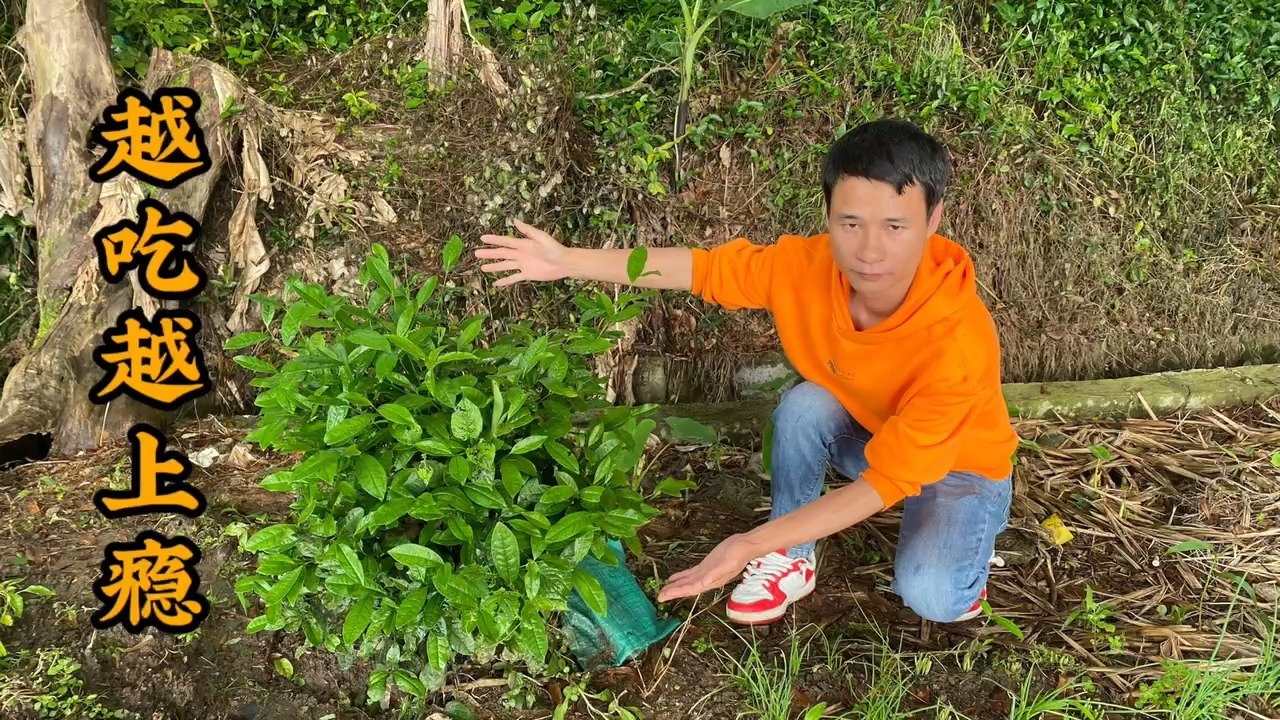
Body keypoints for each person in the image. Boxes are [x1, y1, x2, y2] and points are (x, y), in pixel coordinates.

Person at [476, 118, 1018, 626]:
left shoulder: (956, 342)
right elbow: (704, 269)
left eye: (895, 226)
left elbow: (889, 482)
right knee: (806, 405)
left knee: (934, 596)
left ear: (933, 218)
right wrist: (569, 260)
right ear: (828, 215)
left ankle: (972, 543)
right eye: (850, 223)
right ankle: (791, 556)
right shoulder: (807, 267)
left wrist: (746, 542)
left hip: (960, 467)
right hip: (879, 436)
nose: (870, 251)